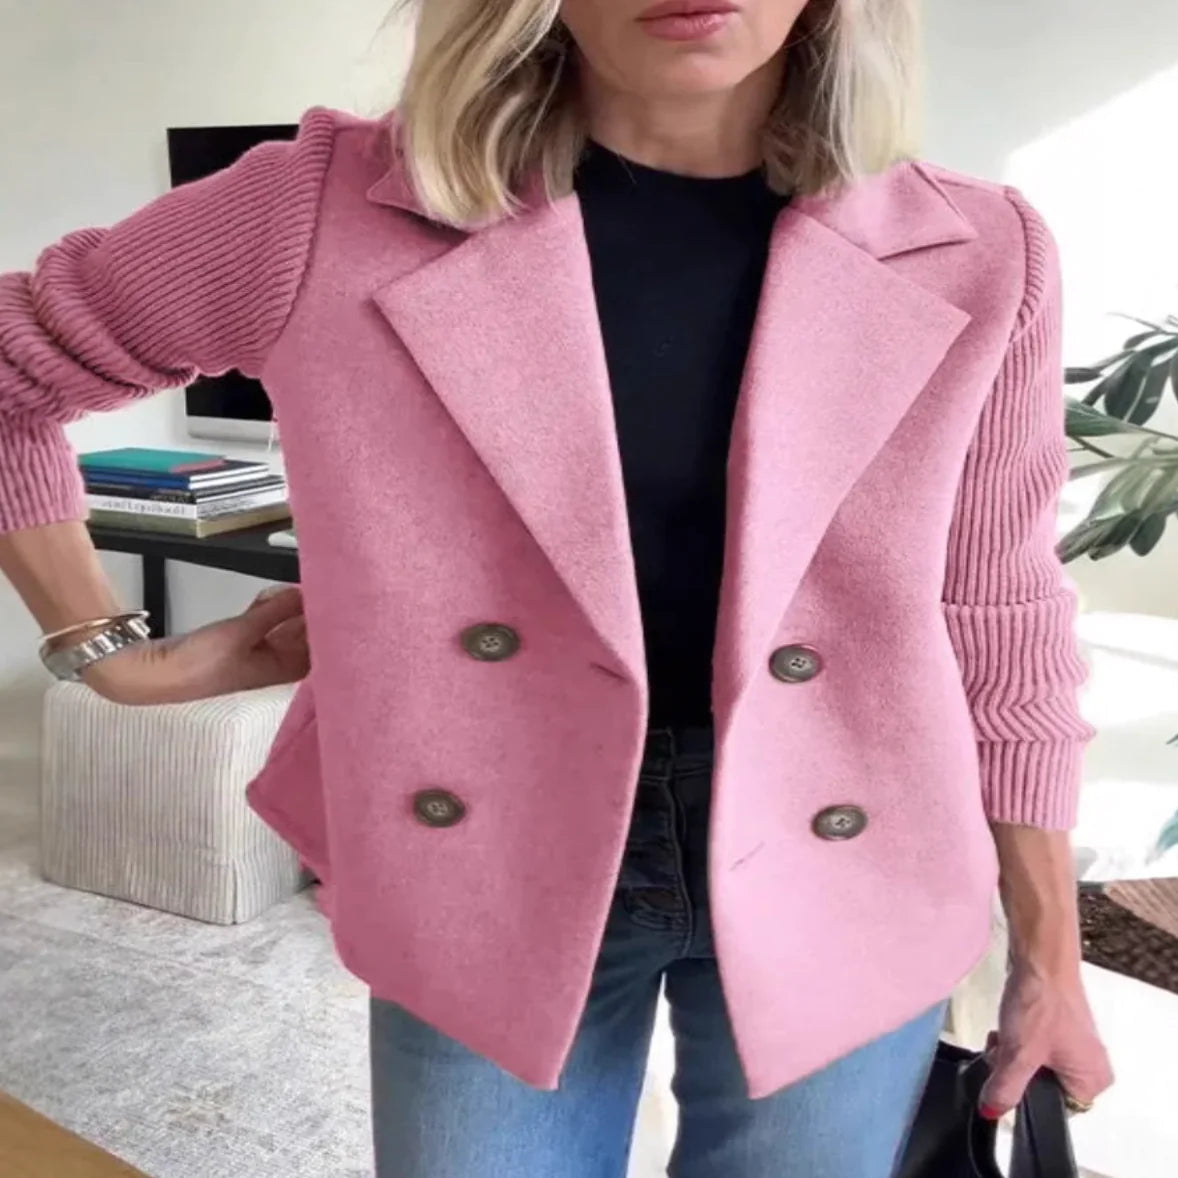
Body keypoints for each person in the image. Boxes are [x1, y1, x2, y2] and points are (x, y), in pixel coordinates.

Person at [0, 1, 1114, 1175]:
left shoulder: (979, 247)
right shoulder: (319, 210)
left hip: (858, 841)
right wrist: (110, 651)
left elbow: (999, 606)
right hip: (488, 841)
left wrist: (1050, 955)